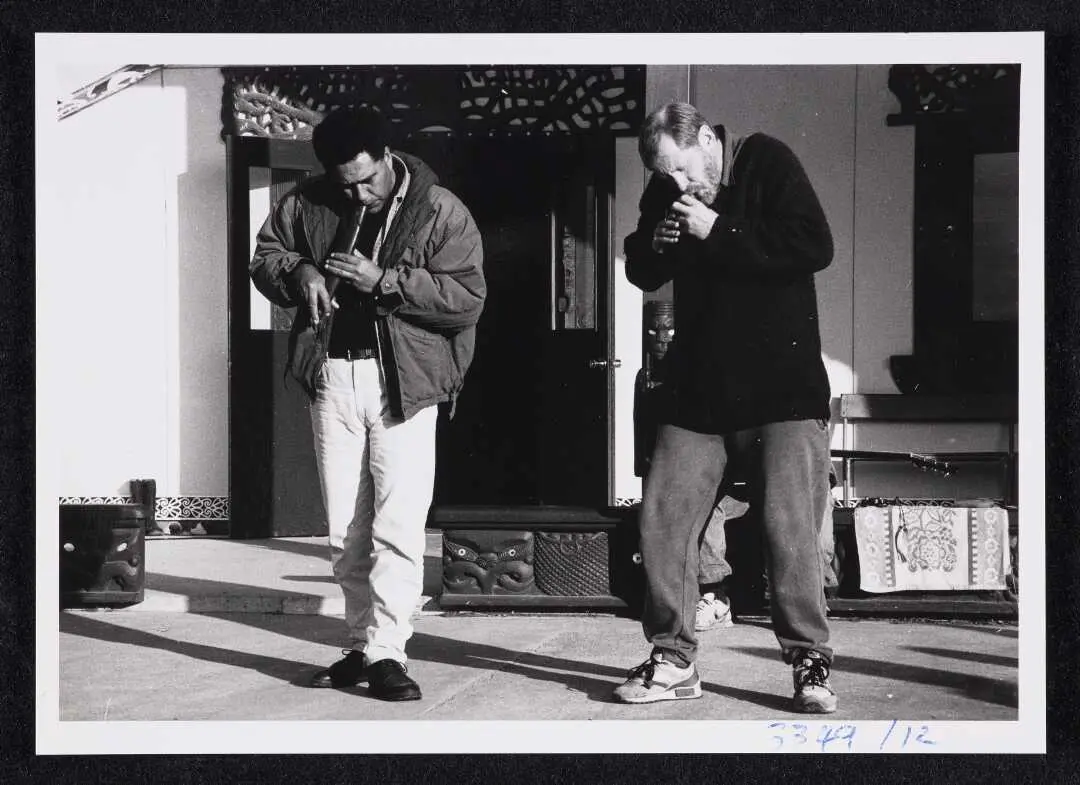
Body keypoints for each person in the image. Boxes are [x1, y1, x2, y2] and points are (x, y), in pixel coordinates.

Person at [250, 107, 485, 701]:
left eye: (367, 178)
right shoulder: (306, 202)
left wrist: (384, 279)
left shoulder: (439, 209)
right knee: (345, 530)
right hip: (331, 377)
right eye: (345, 183)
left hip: (402, 384)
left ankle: (387, 650)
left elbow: (465, 299)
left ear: (387, 155)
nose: (358, 192)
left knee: (397, 525)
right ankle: (361, 644)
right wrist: (300, 271)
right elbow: (266, 255)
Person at [614, 102, 837, 713]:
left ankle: (809, 661)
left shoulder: (767, 160)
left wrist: (719, 229)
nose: (680, 186)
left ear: (709, 140)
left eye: (685, 171)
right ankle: (673, 659)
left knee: (789, 530)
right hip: (699, 390)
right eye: (668, 177)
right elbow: (640, 267)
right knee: (662, 523)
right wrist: (653, 243)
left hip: (783, 391)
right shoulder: (667, 186)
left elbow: (815, 244)